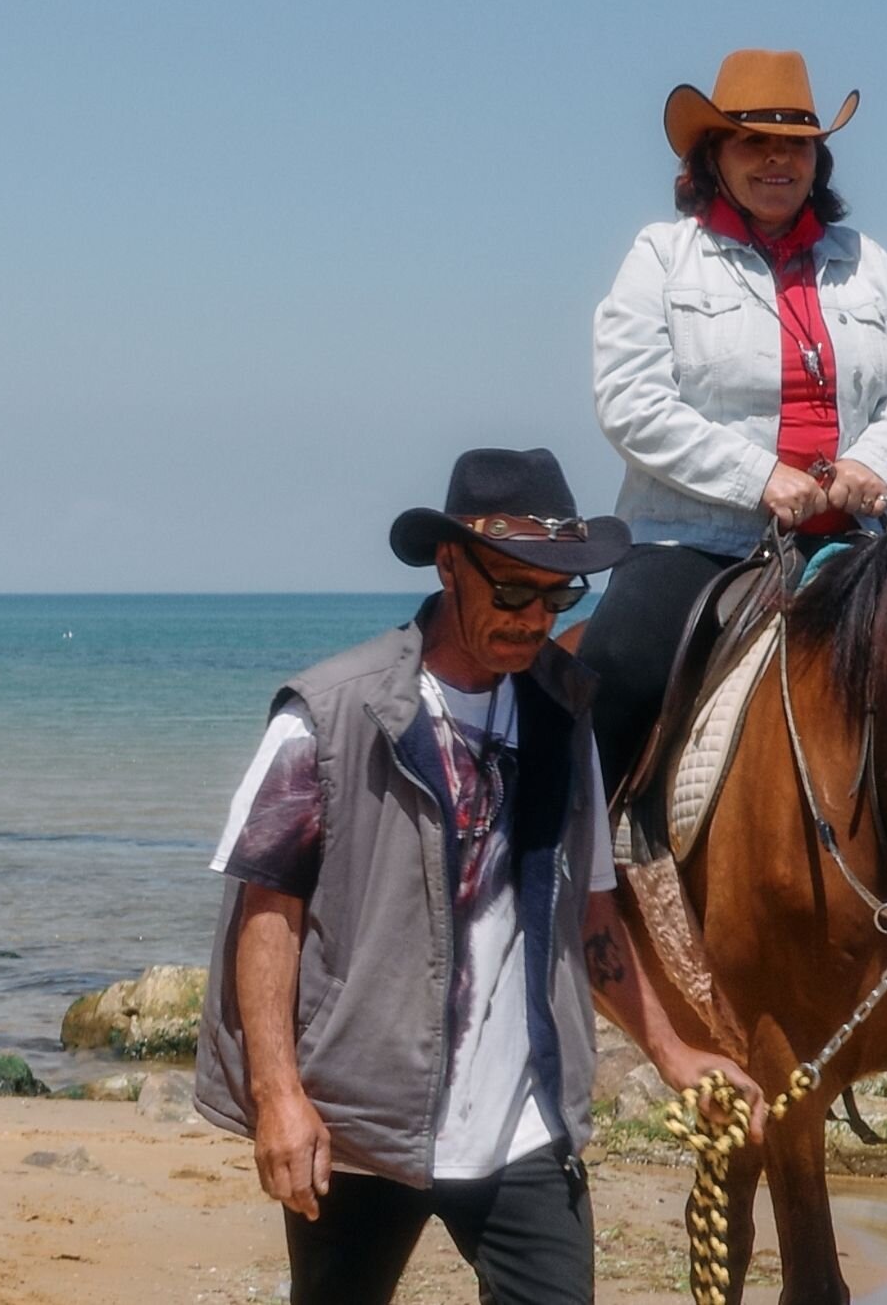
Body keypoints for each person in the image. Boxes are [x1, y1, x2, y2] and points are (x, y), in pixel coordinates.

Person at [194, 449, 764, 1305]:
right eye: (512, 591)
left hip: (523, 1124)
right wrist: (278, 1097)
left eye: (558, 598)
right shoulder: (331, 716)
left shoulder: (563, 715)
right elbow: (267, 913)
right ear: (448, 564)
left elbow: (592, 915)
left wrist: (674, 1053)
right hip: (362, 1121)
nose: (535, 619)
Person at [583, 49, 887, 799]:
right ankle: (576, 858)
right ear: (712, 157)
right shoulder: (662, 257)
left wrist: (873, 463)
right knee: (617, 665)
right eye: (754, 141)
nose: (778, 159)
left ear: (818, 160)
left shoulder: (868, 263)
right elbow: (630, 400)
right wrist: (759, 479)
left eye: (796, 144)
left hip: (853, 539)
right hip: (694, 539)